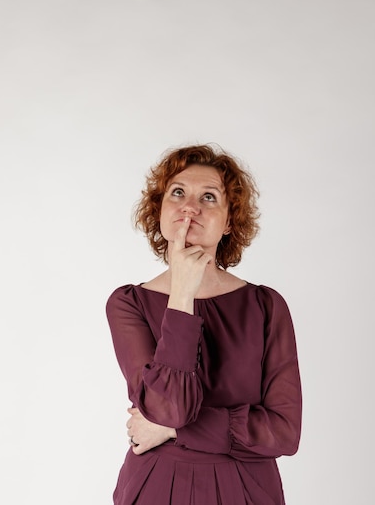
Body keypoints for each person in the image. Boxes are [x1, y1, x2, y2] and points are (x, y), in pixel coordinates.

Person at [106, 144, 302, 505]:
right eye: (177, 193)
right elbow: (169, 407)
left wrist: (169, 430)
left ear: (229, 221)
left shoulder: (265, 306)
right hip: (155, 488)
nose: (190, 207)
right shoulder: (128, 303)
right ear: (160, 211)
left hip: (246, 490)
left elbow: (283, 433)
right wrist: (181, 296)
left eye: (209, 197)